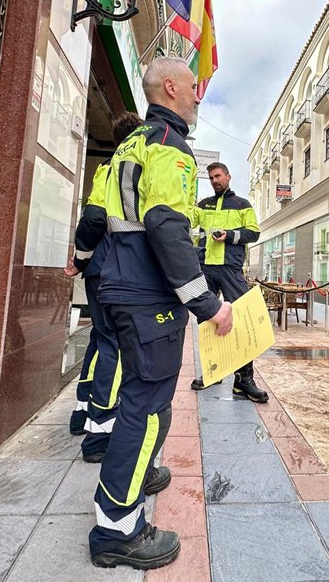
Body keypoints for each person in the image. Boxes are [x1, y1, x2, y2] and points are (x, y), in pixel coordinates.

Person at [89, 57, 233, 570]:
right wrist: (207, 303)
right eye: (194, 88)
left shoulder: (129, 143)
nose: (198, 97)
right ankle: (117, 527)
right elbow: (167, 226)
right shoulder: (170, 146)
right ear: (171, 88)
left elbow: (105, 220)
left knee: (138, 396)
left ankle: (138, 471)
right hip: (150, 296)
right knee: (146, 406)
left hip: (121, 287)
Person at [65, 113, 142, 463]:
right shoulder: (127, 168)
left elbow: (93, 217)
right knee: (112, 344)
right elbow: (96, 217)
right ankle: (100, 432)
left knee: (99, 340)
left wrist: (81, 259)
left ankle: (82, 411)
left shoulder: (105, 169)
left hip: (98, 267)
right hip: (116, 267)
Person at [188, 162, 268, 402]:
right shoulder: (203, 205)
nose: (215, 181)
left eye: (218, 176)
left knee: (241, 319)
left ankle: (244, 380)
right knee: (206, 321)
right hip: (206, 267)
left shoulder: (242, 204)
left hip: (231, 268)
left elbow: (254, 232)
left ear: (228, 176)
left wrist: (230, 235)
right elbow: (188, 222)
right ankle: (213, 372)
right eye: (211, 178)